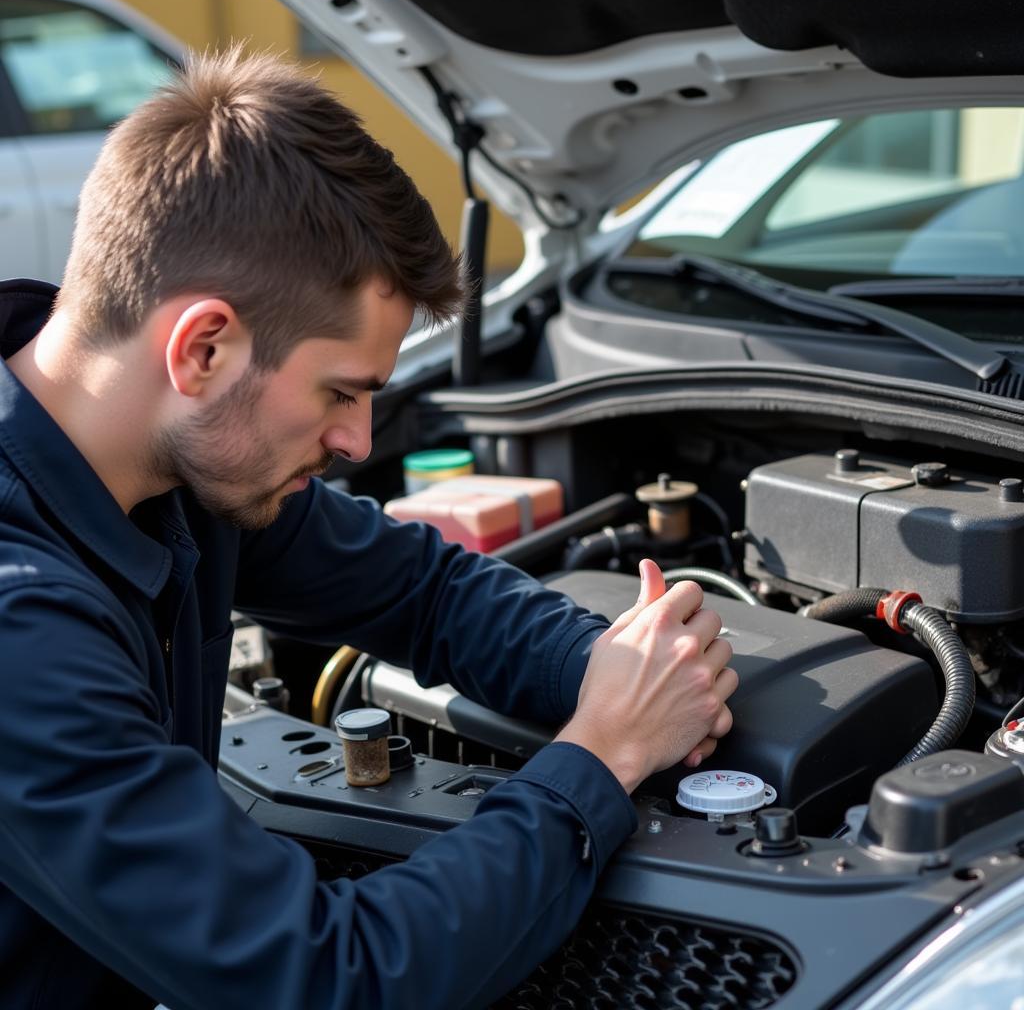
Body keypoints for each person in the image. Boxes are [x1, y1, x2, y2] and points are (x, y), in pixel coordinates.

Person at [0, 49, 737, 1010]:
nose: (356, 441)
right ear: (204, 348)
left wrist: (630, 668)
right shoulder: (22, 631)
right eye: (340, 392)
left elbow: (420, 589)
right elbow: (324, 981)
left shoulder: (165, 460)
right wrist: (600, 758)